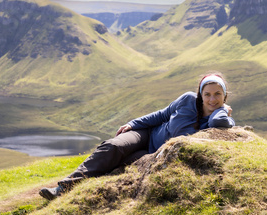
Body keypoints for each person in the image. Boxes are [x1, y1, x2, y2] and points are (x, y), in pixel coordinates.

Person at [39, 72, 235, 201]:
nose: (211, 99)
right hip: (146, 134)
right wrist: (133, 123)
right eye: (207, 94)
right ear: (200, 94)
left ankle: (85, 184)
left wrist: (222, 110)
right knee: (113, 147)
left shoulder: (220, 119)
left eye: (218, 94)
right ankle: (63, 188)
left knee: (121, 165)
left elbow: (219, 124)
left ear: (225, 96)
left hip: (155, 154)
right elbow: (162, 114)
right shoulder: (187, 100)